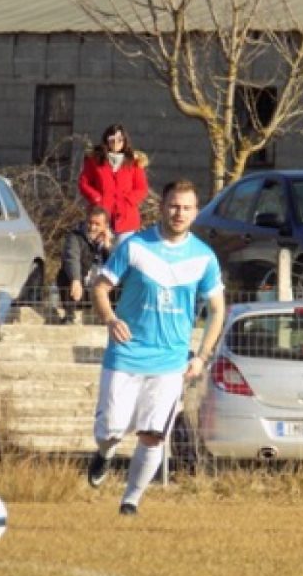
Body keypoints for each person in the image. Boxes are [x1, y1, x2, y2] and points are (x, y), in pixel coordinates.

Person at [86, 179, 225, 515]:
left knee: (153, 435)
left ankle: (131, 501)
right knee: (112, 430)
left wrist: (202, 356)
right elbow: (100, 288)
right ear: (162, 207)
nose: (179, 213)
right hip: (126, 354)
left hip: (170, 363)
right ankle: (104, 453)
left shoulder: (204, 258)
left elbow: (217, 309)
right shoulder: (134, 245)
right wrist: (109, 319)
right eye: (174, 206)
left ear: (196, 212)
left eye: (187, 208)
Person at [78, 123, 149, 243]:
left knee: (123, 253)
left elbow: (141, 188)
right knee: (101, 253)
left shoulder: (134, 162)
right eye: (112, 139)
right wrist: (96, 198)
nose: (116, 143)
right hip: (100, 216)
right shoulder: (94, 160)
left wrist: (128, 200)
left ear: (125, 141)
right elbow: (84, 183)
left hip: (126, 218)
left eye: (120, 139)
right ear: (107, 140)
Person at [55, 207, 113, 325]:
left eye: (97, 224)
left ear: (106, 226)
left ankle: (112, 317)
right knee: (65, 275)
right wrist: (75, 280)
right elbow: (72, 258)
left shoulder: (114, 241)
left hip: (102, 290)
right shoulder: (75, 237)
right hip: (80, 289)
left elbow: (115, 267)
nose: (92, 227)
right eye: (90, 223)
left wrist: (107, 247)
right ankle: (69, 316)